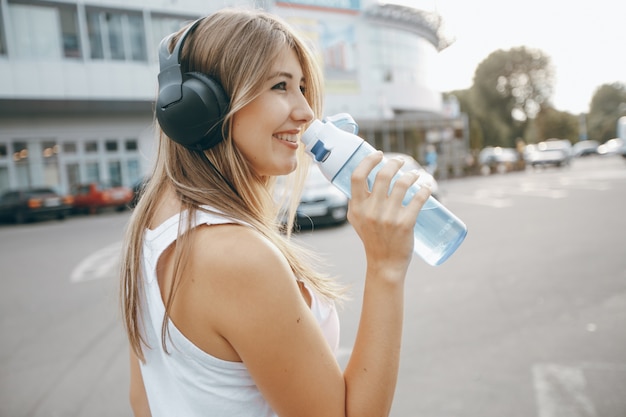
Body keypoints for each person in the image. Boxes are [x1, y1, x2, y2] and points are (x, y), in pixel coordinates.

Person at [120, 8, 431, 417]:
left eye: (302, 86)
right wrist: (386, 266)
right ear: (203, 107)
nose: (305, 111)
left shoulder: (153, 224)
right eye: (280, 85)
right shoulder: (236, 256)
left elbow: (144, 401)